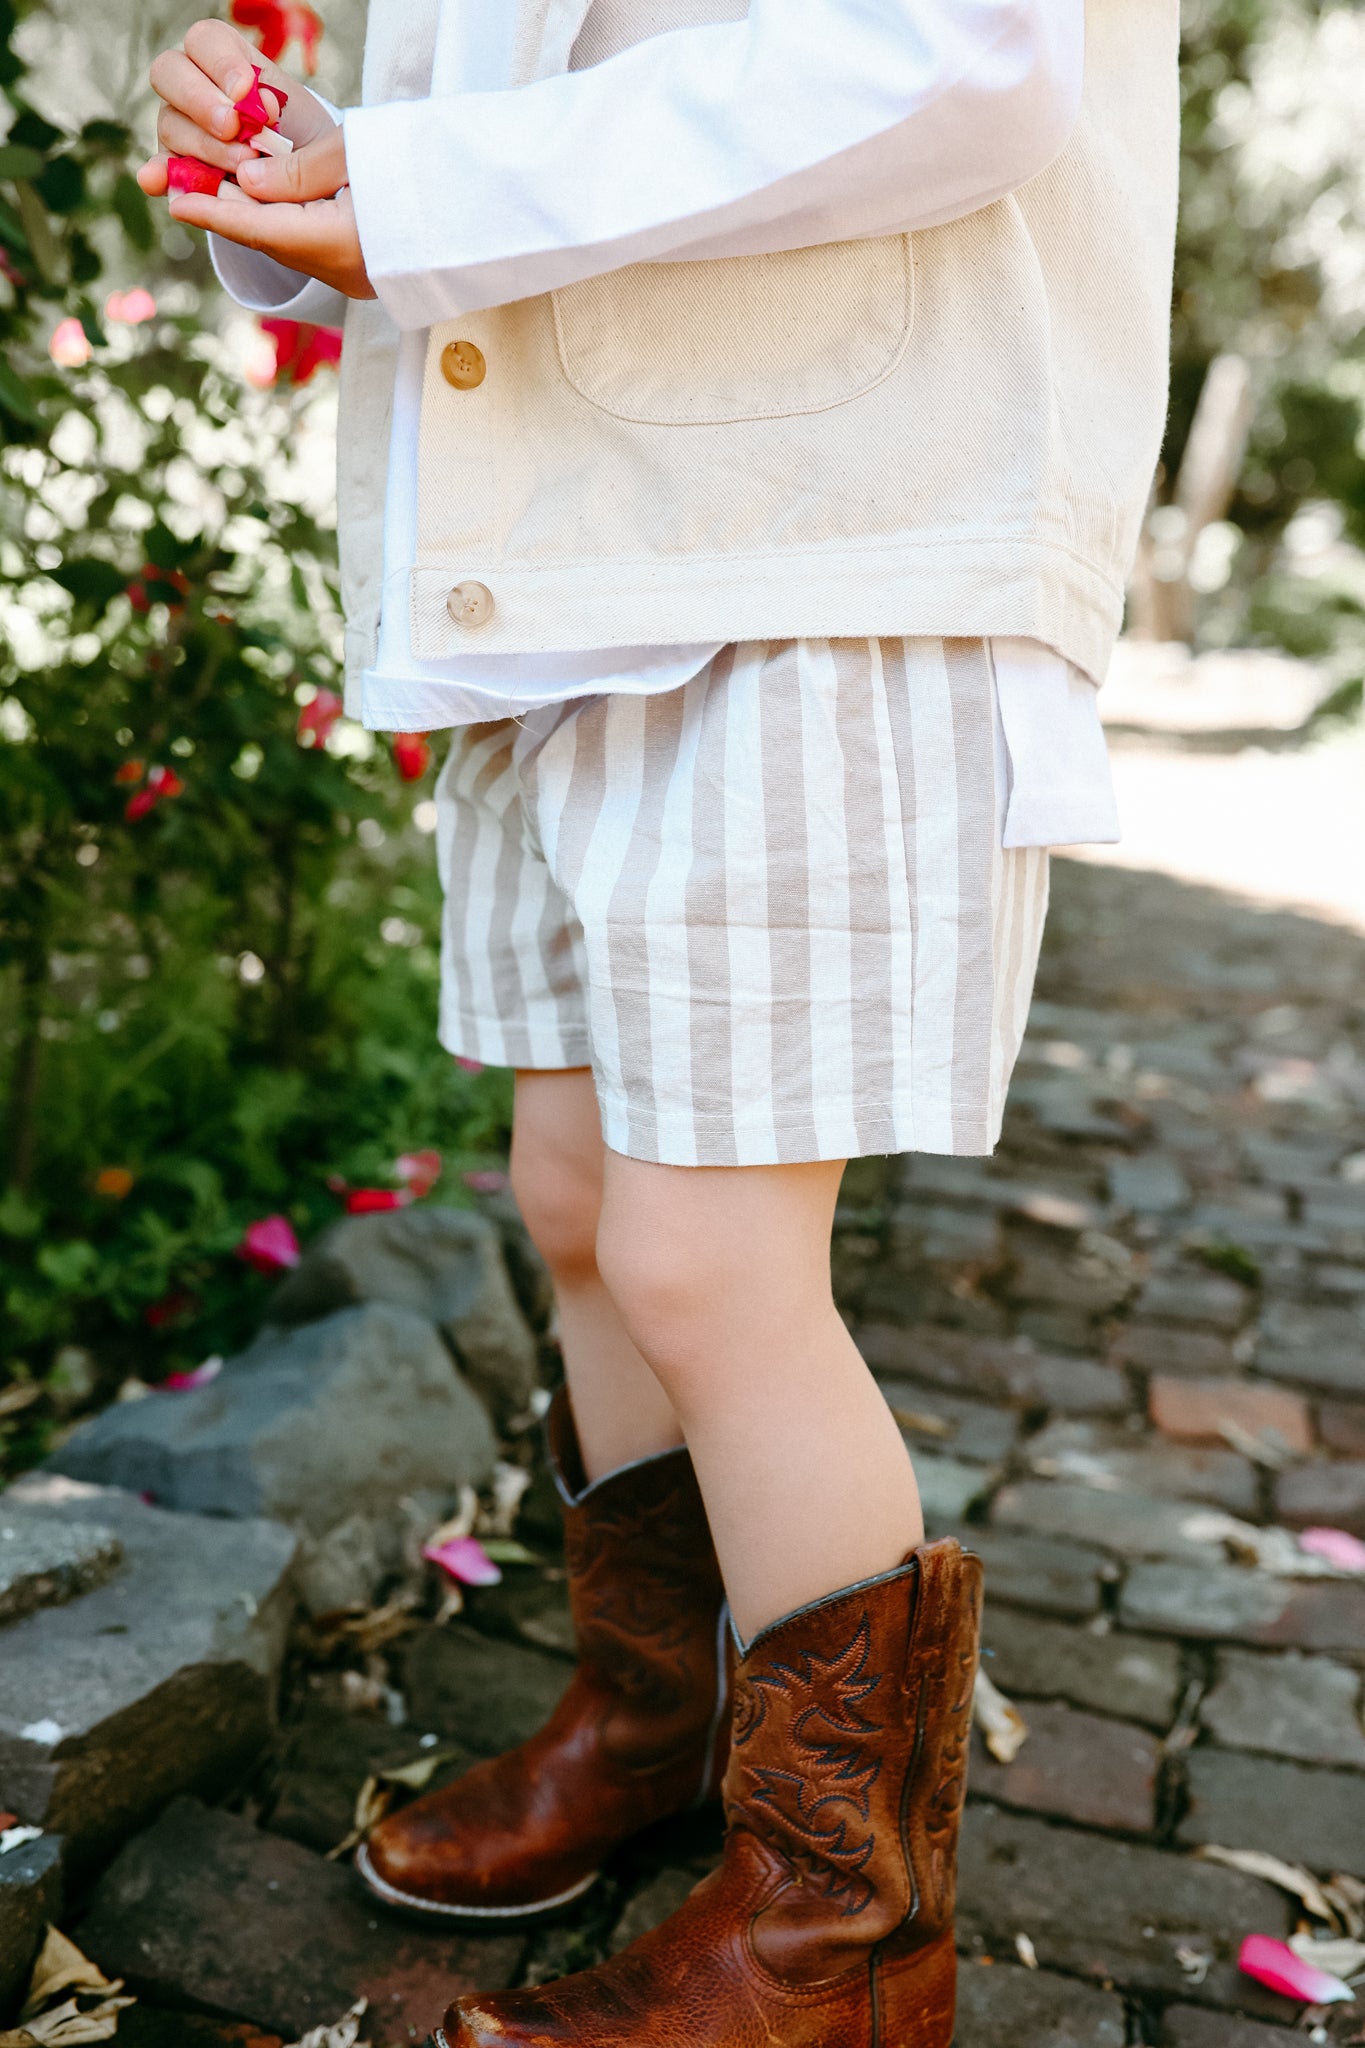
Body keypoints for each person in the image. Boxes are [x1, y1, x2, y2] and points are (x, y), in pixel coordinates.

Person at [140, 1, 1178, 2039]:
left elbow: (967, 53)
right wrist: (313, 162)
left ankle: (834, 1929)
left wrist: (420, 189)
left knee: (712, 1258)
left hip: (827, 540)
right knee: (582, 1202)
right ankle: (650, 1723)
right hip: (572, 553)